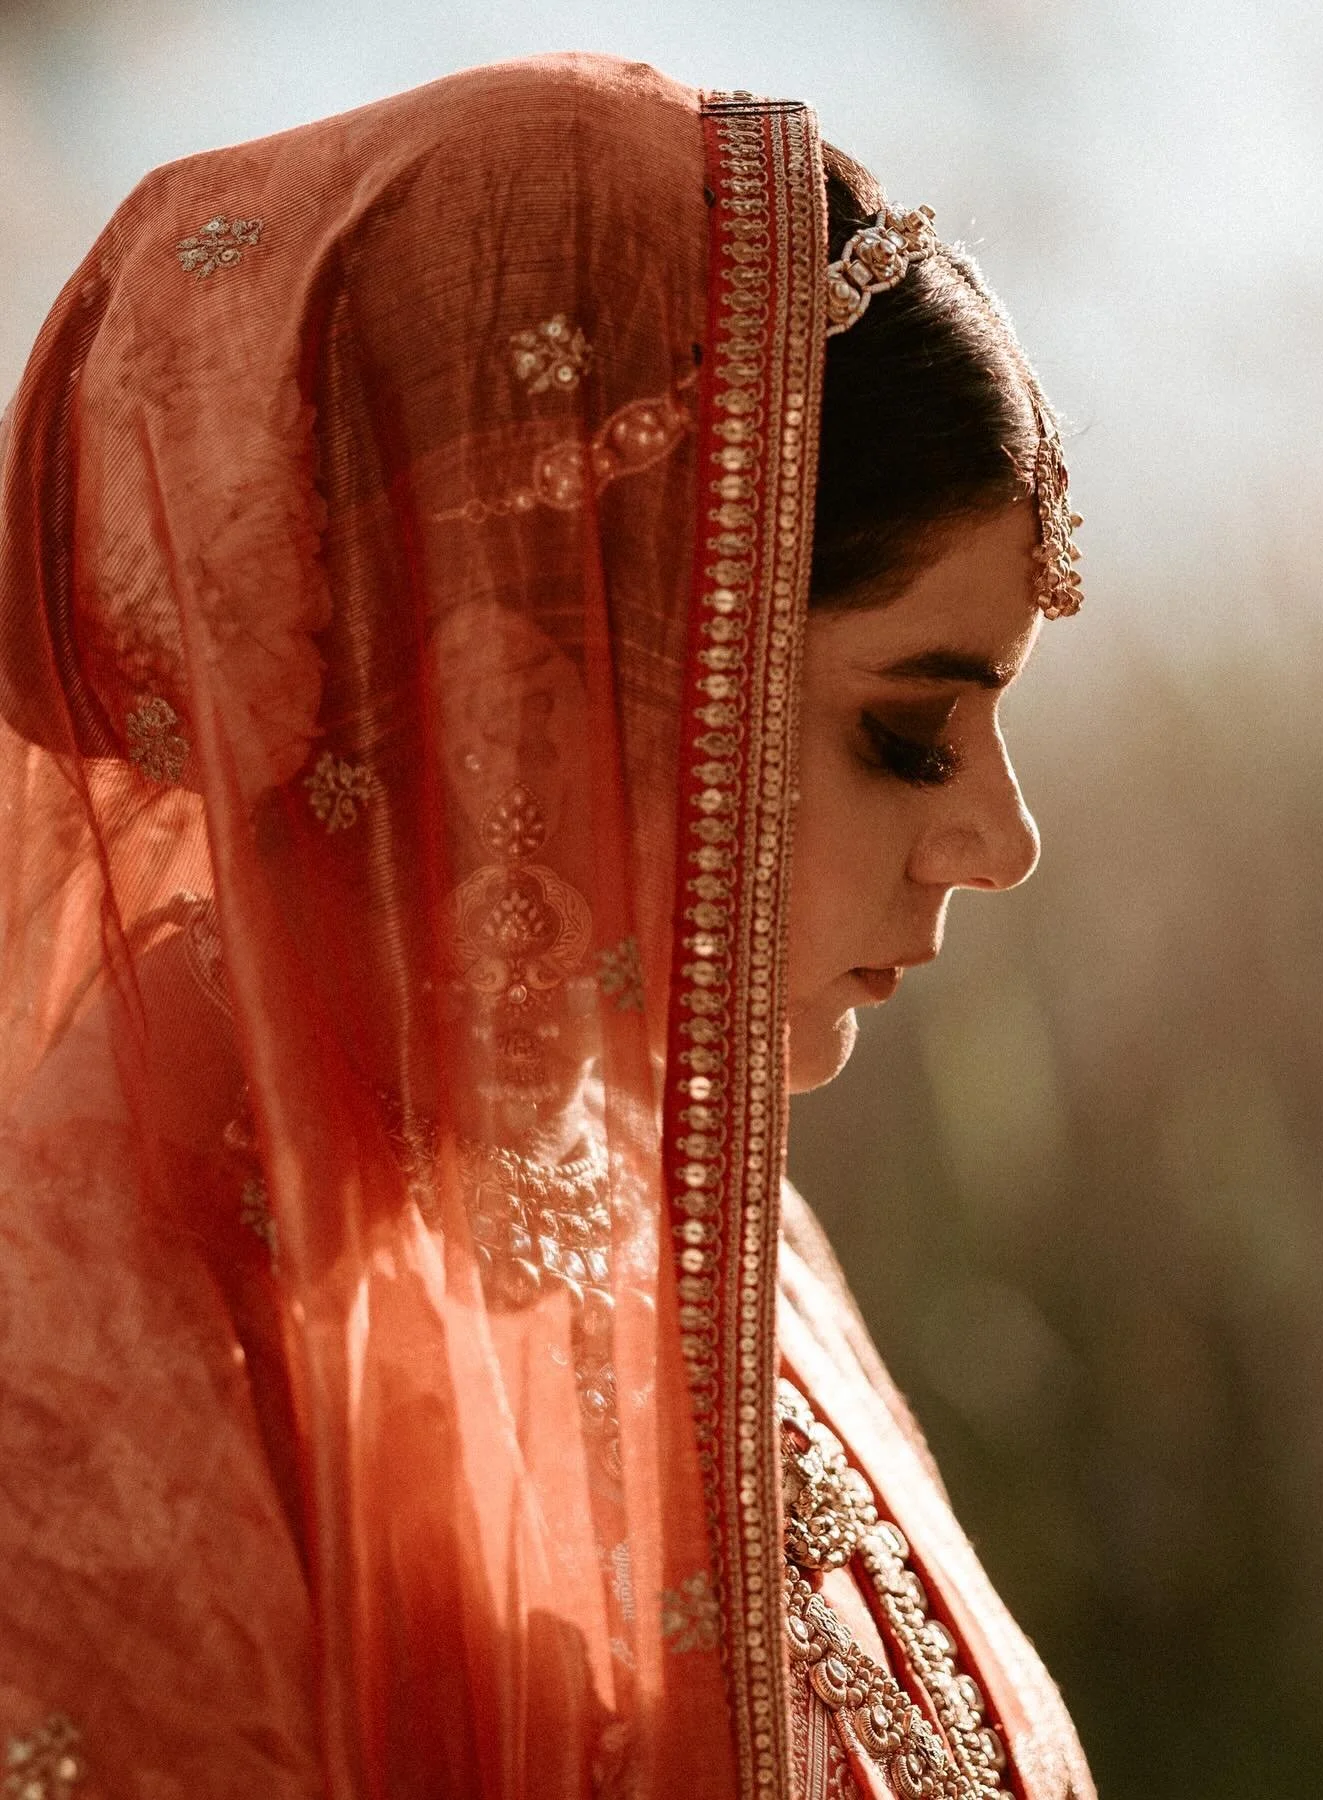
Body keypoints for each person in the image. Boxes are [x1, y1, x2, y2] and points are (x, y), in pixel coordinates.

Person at [0, 52, 1092, 1800]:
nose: (1004, 840)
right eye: (909, 729)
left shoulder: (718, 1232)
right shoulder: (89, 1376)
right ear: (522, 679)